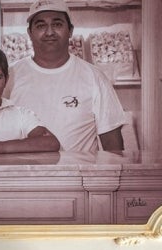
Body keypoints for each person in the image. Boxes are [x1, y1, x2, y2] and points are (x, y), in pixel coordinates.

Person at [7, 0, 128, 152]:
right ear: (29, 33)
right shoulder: (9, 76)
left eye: (57, 24)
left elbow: (113, 147)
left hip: (79, 175)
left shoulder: (94, 77)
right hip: (23, 174)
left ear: (70, 30)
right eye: (40, 25)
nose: (49, 32)